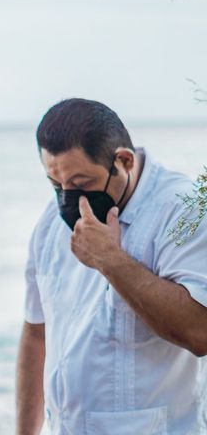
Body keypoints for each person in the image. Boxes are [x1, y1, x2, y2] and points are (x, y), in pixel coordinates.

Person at [16, 98, 207, 434]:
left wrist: (110, 259)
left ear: (124, 161)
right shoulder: (50, 221)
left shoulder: (184, 211)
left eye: (81, 184)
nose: (67, 198)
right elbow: (36, 332)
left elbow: (201, 331)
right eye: (55, 184)